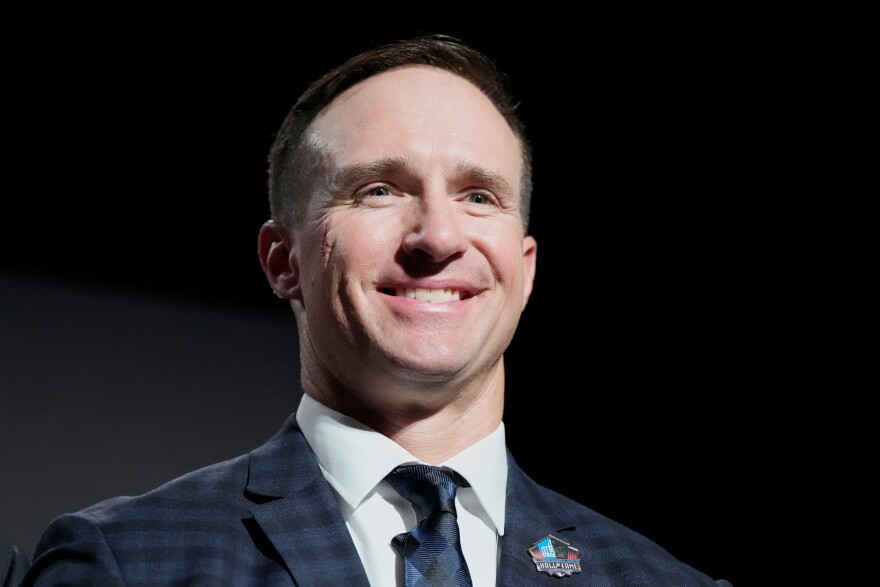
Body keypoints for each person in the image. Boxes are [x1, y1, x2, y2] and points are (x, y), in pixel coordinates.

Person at [21, 34, 732, 586]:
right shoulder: (128, 563)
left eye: (479, 195)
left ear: (524, 266)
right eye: (379, 190)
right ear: (283, 260)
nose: (439, 237)